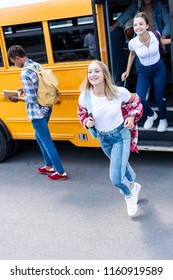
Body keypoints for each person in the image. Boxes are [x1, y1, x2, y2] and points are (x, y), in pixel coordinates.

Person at [78, 60, 143, 217]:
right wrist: (86, 122)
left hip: (120, 136)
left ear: (104, 74)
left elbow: (136, 101)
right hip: (103, 138)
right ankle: (134, 185)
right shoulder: (85, 96)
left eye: (96, 71)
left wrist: (132, 117)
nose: (93, 75)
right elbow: (81, 114)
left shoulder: (118, 92)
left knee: (116, 178)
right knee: (122, 165)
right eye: (90, 72)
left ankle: (129, 194)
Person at [7, 45, 67, 180]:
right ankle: (48, 166)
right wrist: (23, 88)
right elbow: (41, 84)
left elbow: (32, 99)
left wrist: (17, 98)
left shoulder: (24, 72)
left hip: (37, 112)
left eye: (13, 62)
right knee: (39, 137)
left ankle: (60, 172)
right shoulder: (37, 66)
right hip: (47, 108)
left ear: (17, 58)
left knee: (46, 141)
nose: (14, 65)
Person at [122, 13, 168, 132]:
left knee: (158, 98)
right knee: (139, 99)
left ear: (147, 25)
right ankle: (152, 115)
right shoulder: (132, 42)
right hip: (144, 72)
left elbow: (162, 42)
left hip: (158, 69)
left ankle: (163, 119)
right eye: (135, 25)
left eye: (141, 24)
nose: (138, 27)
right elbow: (132, 54)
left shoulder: (155, 35)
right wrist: (127, 71)